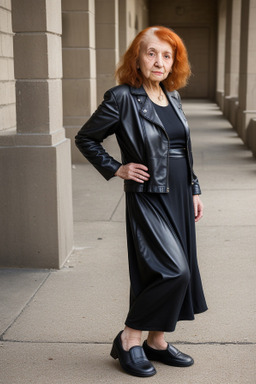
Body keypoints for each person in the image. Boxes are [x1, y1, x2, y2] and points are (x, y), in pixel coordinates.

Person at [75, 26, 207, 378]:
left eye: (167, 55)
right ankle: (130, 337)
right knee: (172, 270)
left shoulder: (172, 97)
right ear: (137, 57)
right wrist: (117, 168)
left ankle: (156, 342)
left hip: (179, 193)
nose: (159, 61)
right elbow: (86, 138)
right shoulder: (121, 98)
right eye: (151, 53)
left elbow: (183, 149)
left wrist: (194, 188)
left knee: (170, 270)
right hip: (149, 196)